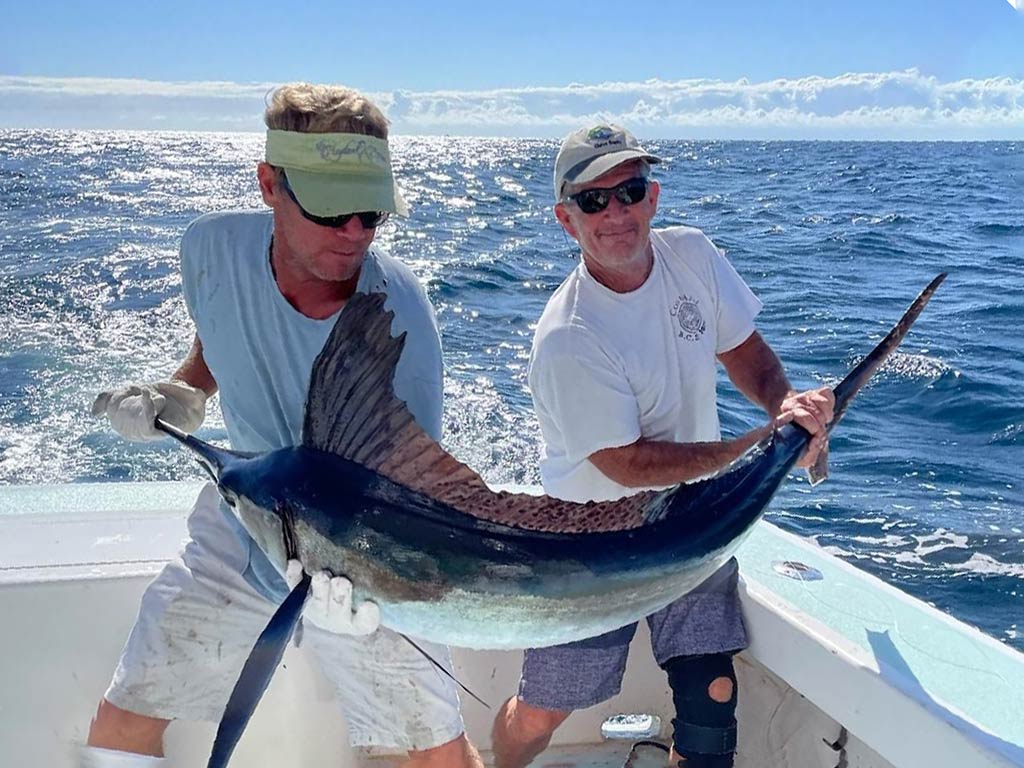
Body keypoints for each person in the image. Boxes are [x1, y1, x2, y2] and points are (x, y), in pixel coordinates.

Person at [84, 83, 484, 768]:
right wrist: (180, 394)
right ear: (269, 184)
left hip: (359, 556)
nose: (354, 233)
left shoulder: (398, 319)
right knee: (123, 725)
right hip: (244, 518)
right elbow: (222, 332)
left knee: (436, 756)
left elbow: (408, 494)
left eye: (371, 212)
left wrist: (361, 577)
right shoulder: (210, 249)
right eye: (332, 209)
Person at [490, 124, 834, 768]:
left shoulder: (693, 255)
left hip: (692, 523)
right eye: (593, 201)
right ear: (568, 221)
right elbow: (626, 463)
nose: (615, 212)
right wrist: (755, 450)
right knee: (544, 711)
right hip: (591, 544)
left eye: (629, 190)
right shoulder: (568, 335)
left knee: (713, 695)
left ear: (652, 197)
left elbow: (745, 350)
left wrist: (783, 408)